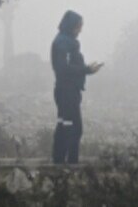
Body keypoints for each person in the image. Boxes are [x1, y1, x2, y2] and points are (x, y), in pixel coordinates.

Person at [50, 10, 101, 164]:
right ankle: (70, 164)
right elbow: (63, 68)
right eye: (79, 26)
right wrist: (86, 70)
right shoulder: (63, 43)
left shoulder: (64, 41)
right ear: (71, 26)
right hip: (67, 93)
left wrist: (88, 70)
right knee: (73, 128)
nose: (80, 30)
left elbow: (69, 67)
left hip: (66, 91)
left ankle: (59, 161)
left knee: (64, 126)